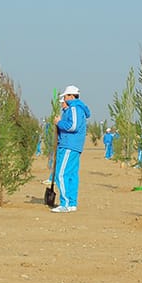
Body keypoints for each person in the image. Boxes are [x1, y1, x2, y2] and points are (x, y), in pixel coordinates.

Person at [52, 85, 91, 213]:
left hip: (69, 145)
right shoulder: (75, 109)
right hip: (73, 145)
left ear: (71, 96)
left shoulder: (74, 107)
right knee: (71, 175)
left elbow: (72, 126)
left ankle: (65, 203)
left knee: (61, 174)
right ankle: (72, 203)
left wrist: (59, 123)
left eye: (65, 96)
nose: (64, 99)